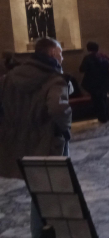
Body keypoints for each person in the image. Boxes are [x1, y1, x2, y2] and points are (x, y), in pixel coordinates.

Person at [0, 38, 71, 238]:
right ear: (51, 54)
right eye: (60, 53)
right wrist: (64, 128)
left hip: (17, 143)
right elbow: (59, 108)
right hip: (46, 143)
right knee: (47, 188)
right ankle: (42, 231)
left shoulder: (9, 78)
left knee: (37, 188)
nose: (63, 57)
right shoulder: (55, 80)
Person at [79, 42, 109, 123]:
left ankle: (102, 118)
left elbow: (81, 69)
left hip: (93, 83)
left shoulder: (87, 58)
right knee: (104, 98)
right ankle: (107, 116)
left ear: (88, 49)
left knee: (97, 100)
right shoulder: (103, 56)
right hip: (105, 82)